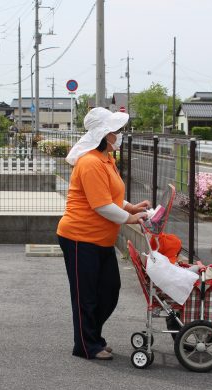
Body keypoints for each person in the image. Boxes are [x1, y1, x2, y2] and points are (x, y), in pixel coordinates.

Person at [57, 107, 149, 361]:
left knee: (109, 290)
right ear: (104, 134)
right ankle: (86, 346)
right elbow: (101, 206)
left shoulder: (107, 159)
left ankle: (93, 338)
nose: (119, 134)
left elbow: (111, 197)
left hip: (99, 239)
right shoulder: (90, 163)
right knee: (85, 295)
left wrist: (131, 207)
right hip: (79, 237)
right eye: (116, 131)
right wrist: (130, 218)